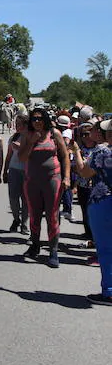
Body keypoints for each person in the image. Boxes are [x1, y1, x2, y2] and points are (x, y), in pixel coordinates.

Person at [19, 108, 70, 268]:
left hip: (52, 180)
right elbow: (22, 157)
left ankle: (53, 250)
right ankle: (35, 245)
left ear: (45, 119)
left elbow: (65, 156)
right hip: (32, 181)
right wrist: (33, 141)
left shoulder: (54, 133)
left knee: (52, 215)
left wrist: (67, 177)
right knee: (34, 215)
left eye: (40, 118)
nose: (37, 122)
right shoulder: (27, 134)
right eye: (34, 119)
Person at [71, 118, 112, 305]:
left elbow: (84, 172)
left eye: (99, 129)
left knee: (105, 249)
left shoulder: (101, 151)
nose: (94, 131)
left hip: (103, 202)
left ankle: (109, 292)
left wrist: (76, 152)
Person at [73, 122, 100, 264]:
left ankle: (96, 243)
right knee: (86, 212)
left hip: (97, 188)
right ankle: (91, 238)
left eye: (89, 133)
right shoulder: (80, 149)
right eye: (83, 134)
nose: (86, 136)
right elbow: (76, 168)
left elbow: (85, 169)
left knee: (95, 217)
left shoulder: (100, 150)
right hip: (83, 185)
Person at [2, 114, 30, 236]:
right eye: (16, 123)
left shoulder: (31, 138)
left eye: (19, 124)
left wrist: (22, 147)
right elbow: (8, 155)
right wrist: (4, 171)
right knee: (13, 198)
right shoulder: (13, 138)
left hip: (27, 172)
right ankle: (16, 219)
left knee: (26, 200)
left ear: (25, 125)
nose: (16, 126)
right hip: (14, 170)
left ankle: (24, 224)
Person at [56, 115, 74, 221]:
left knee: (65, 186)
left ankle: (67, 209)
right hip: (65, 159)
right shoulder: (66, 131)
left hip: (66, 160)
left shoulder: (65, 133)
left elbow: (66, 143)